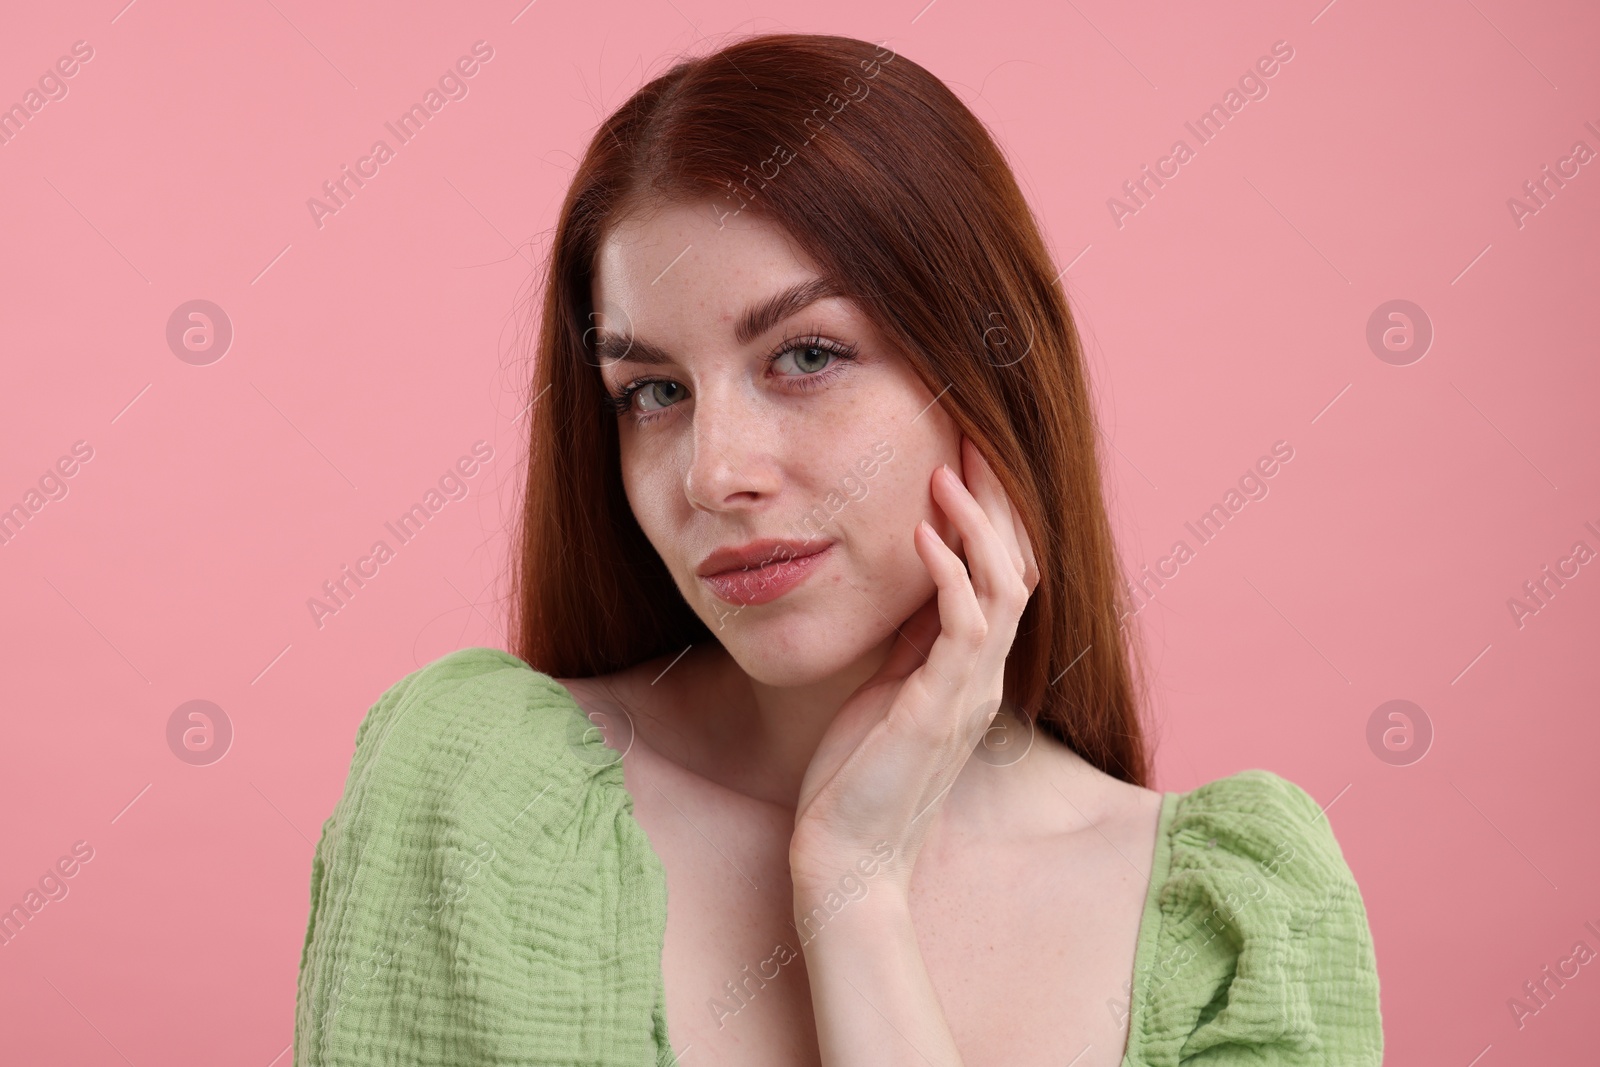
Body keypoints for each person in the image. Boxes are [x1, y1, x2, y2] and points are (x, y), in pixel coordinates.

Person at [293, 32, 1382, 1067]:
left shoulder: (1245, 927)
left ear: (984, 375)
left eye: (806, 355)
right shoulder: (479, 798)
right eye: (653, 391)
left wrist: (855, 894)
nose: (713, 473)